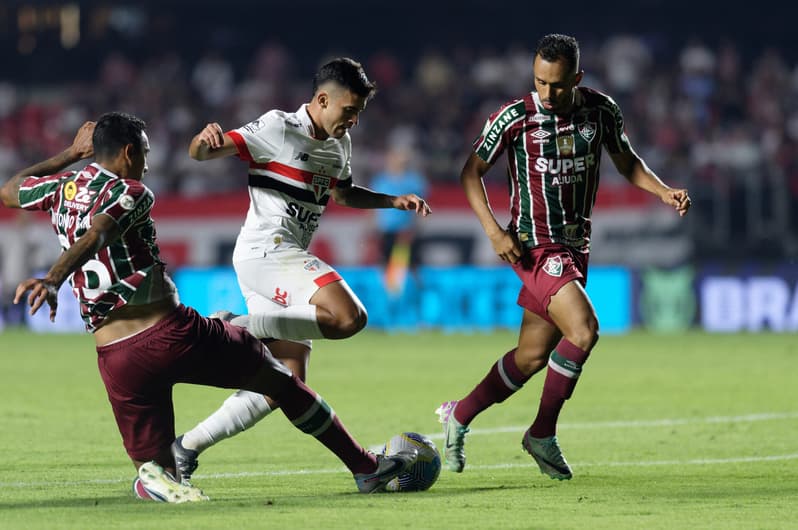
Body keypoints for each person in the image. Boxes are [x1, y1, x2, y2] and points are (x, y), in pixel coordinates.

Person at [0, 112, 417, 503]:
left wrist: (70, 156)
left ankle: (158, 478)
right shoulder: (133, 191)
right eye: (144, 151)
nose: (147, 163)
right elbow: (101, 231)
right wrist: (53, 278)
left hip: (116, 359)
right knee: (283, 382)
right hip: (171, 335)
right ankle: (366, 469)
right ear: (129, 153)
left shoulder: (62, 187)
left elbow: (9, 190)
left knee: (157, 471)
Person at [435, 34, 691, 480]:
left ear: (576, 77)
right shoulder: (514, 117)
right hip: (534, 246)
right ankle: (541, 433)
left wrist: (663, 191)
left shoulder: (600, 110)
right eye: (540, 82)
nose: (547, 93)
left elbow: (626, 161)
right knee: (585, 330)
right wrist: (494, 231)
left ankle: (460, 414)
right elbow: (470, 172)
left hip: (575, 247)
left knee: (531, 357)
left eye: (556, 84)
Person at [172, 57, 430, 483]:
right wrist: (202, 141)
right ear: (323, 99)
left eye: (359, 114)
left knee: (283, 382)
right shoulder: (277, 128)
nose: (353, 121)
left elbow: (343, 195)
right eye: (349, 111)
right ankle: (234, 326)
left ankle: (185, 448)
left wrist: (391, 201)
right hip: (267, 251)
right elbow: (202, 153)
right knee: (349, 317)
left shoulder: (338, 144)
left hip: (276, 260)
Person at [370, 142, 428, 293]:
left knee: (410, 265)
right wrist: (372, 228)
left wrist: (417, 228)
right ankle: (390, 296)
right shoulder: (380, 181)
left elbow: (422, 206)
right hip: (387, 231)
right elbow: (372, 208)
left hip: (405, 232)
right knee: (387, 265)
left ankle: (417, 295)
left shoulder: (414, 180)